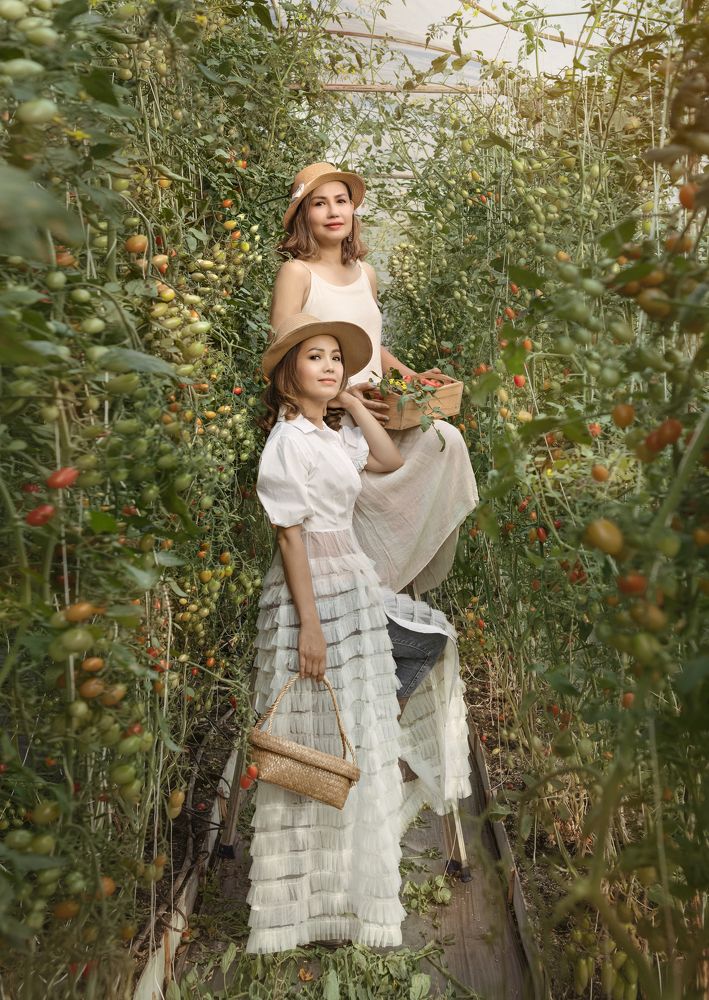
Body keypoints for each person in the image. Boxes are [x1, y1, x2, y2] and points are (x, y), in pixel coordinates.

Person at [246, 312, 407, 954]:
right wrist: (308, 625)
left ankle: (346, 895)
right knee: (306, 733)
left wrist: (349, 403)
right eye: (316, 358)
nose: (331, 366)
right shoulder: (288, 440)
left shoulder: (330, 434)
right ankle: (299, 909)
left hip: (351, 585)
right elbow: (289, 533)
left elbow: (390, 459)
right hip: (310, 589)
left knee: (353, 727)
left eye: (337, 359)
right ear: (290, 375)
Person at [271, 161, 478, 596]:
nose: (333, 211)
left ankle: (389, 590)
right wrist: (342, 396)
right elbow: (285, 358)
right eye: (320, 203)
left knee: (446, 442)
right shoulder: (297, 274)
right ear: (303, 215)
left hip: (379, 413)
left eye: (341, 201)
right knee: (342, 515)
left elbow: (370, 344)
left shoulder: (366, 274)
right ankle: (356, 596)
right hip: (328, 419)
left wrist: (410, 376)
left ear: (353, 212)